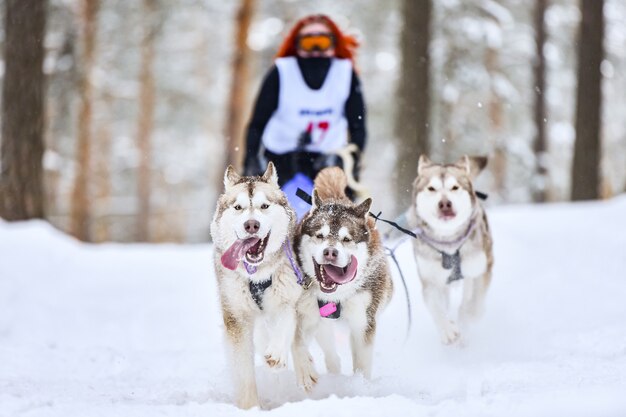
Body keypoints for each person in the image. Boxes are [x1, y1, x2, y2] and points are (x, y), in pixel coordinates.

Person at [243, 14, 367, 197]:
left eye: (322, 41)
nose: (316, 49)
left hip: (328, 162)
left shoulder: (345, 74)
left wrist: (353, 163)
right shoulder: (281, 72)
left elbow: (358, 127)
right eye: (308, 43)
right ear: (297, 45)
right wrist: (251, 160)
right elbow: (257, 123)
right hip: (281, 160)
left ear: (333, 45)